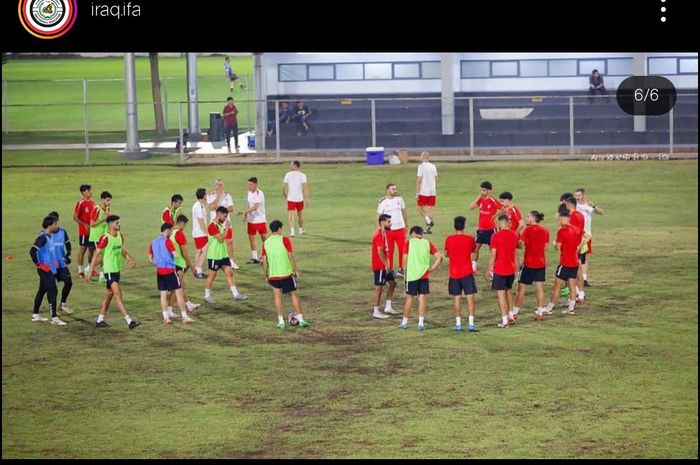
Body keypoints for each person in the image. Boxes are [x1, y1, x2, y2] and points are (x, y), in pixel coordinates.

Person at [90, 215, 141, 329]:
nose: (119, 224)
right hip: (109, 271)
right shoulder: (105, 238)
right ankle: (129, 321)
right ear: (110, 224)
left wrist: (130, 259)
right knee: (118, 295)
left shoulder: (119, 236)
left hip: (116, 270)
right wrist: (90, 271)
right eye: (117, 223)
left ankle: (100, 319)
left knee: (109, 294)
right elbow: (96, 254)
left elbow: (122, 250)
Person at [261, 220, 309, 330]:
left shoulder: (266, 243)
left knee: (277, 298)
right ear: (279, 229)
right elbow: (291, 256)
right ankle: (301, 320)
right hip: (286, 274)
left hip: (273, 275)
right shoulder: (284, 239)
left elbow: (264, 259)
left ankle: (281, 322)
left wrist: (266, 275)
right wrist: (295, 270)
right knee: (293, 295)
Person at [542, 210, 591, 317]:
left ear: (564, 219)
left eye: (560, 219)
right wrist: (580, 245)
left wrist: (554, 244)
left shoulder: (561, 231)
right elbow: (588, 236)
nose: (559, 221)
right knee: (572, 287)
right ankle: (571, 309)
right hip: (574, 263)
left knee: (557, 287)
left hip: (565, 263)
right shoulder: (576, 229)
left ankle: (549, 308)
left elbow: (558, 248)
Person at [148, 223, 195, 326]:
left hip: (160, 272)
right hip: (170, 271)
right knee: (179, 293)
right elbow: (175, 254)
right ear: (168, 230)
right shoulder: (167, 241)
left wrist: (158, 262)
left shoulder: (153, 242)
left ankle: (166, 318)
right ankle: (185, 317)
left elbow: (150, 259)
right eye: (171, 231)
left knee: (163, 295)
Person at [399, 226, 442, 330]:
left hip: (412, 275)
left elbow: (404, 257)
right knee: (422, 298)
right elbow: (439, 257)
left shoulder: (409, 242)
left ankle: (404, 322)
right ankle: (421, 323)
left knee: (409, 298)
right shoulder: (427, 242)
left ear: (413, 233)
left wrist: (403, 270)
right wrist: (432, 268)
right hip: (424, 275)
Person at [204, 206, 248, 303]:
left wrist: (225, 228)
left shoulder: (219, 225)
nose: (225, 219)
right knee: (212, 276)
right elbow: (220, 238)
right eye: (224, 216)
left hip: (223, 255)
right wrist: (227, 229)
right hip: (214, 256)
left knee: (229, 273)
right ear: (219, 214)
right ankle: (207, 295)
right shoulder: (212, 226)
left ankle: (235, 294)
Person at [29, 215, 67, 325]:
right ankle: (54, 318)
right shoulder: (42, 237)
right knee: (53, 291)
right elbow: (32, 251)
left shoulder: (49, 237)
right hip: (45, 270)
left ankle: (35, 315)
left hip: (50, 268)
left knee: (42, 290)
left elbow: (48, 252)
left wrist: (54, 261)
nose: (56, 226)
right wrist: (39, 264)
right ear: (49, 225)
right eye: (55, 224)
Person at [513, 211, 550, 321]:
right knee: (539, 289)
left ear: (533, 218)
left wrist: (517, 242)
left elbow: (521, 245)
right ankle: (540, 313)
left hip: (529, 264)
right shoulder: (545, 231)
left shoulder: (527, 230)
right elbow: (546, 248)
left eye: (528, 216)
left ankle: (514, 313)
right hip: (541, 263)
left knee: (521, 289)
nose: (526, 218)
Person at [444, 216, 477, 332]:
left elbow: (446, 254)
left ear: (454, 226)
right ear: (464, 226)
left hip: (454, 274)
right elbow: (474, 251)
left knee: (457, 298)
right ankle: (471, 324)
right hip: (467, 273)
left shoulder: (449, 239)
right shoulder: (470, 239)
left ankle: (458, 324)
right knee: (470, 298)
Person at [487, 215, 520, 328]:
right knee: (509, 291)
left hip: (500, 269)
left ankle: (504, 321)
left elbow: (493, 254)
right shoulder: (515, 234)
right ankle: (511, 315)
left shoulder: (495, 236)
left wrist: (488, 269)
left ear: (501, 223)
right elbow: (515, 252)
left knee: (501, 295)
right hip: (511, 269)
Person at [170, 214, 200, 313]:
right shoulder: (179, 234)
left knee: (182, 285)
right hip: (179, 264)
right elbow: (185, 253)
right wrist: (192, 266)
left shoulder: (170, 233)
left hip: (171, 263)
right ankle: (169, 310)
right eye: (185, 225)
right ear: (182, 223)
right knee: (177, 288)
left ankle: (188, 304)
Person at [469, 181, 503, 271]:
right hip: (481, 229)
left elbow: (503, 208)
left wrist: (495, 216)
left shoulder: (493, 200)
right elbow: (471, 207)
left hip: (491, 230)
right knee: (475, 248)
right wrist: (478, 197)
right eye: (481, 190)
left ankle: (492, 269)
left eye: (483, 190)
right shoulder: (480, 199)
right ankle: (473, 268)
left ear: (489, 190)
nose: (482, 192)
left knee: (493, 251)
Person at [377, 183, 408, 278]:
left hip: (400, 229)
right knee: (389, 251)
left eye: (395, 189)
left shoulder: (400, 199)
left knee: (402, 250)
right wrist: (380, 228)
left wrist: (406, 225)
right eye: (393, 189)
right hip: (389, 231)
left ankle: (401, 269)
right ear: (387, 190)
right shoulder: (382, 201)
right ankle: (389, 269)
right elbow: (378, 216)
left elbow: (404, 212)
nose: (395, 190)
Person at [574, 187, 604, 287]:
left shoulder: (588, 205)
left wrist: (594, 206)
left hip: (587, 235)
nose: (577, 197)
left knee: (585, 257)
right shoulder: (574, 205)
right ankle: (575, 278)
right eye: (576, 195)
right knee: (575, 257)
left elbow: (601, 212)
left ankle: (584, 278)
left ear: (583, 195)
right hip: (576, 235)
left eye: (579, 195)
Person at [207, 179, 239, 269]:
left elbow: (231, 208)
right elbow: (210, 207)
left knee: (229, 241)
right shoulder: (210, 195)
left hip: (226, 222)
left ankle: (231, 261)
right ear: (215, 186)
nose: (219, 186)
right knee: (217, 242)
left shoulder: (227, 195)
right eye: (217, 184)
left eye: (221, 185)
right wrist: (217, 198)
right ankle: (218, 259)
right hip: (216, 224)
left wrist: (221, 210)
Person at [371, 214, 399, 319]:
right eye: (388, 221)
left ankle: (388, 307)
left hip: (386, 266)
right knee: (379, 288)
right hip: (380, 266)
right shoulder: (379, 235)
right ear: (382, 222)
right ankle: (376, 310)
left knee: (392, 283)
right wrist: (386, 264)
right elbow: (379, 251)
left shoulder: (384, 233)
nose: (390, 223)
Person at [47, 211, 74, 314]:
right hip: (51, 264)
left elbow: (68, 245)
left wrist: (68, 255)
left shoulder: (62, 232)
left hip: (61, 263)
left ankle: (62, 304)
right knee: (52, 287)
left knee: (68, 282)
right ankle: (52, 309)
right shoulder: (46, 233)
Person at [563, 196, 587, 304]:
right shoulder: (580, 215)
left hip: (574, 247)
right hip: (580, 245)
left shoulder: (571, 216)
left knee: (575, 272)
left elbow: (571, 232)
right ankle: (579, 293)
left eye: (566, 204)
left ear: (569, 204)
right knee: (578, 271)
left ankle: (579, 294)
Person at [238, 177, 267, 264]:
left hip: (260, 220)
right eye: (248, 184)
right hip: (251, 221)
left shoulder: (259, 193)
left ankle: (264, 255)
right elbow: (249, 205)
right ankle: (254, 257)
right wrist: (246, 215)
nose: (249, 186)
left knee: (264, 239)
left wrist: (243, 211)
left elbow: (255, 207)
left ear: (256, 184)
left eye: (251, 184)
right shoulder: (249, 193)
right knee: (251, 238)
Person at [88, 191, 112, 282]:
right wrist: (103, 219)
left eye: (110, 200)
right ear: (102, 199)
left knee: (104, 256)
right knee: (102, 256)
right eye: (108, 200)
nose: (109, 202)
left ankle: (102, 276)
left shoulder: (107, 209)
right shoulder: (96, 209)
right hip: (96, 236)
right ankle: (89, 268)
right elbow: (91, 224)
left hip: (103, 236)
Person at [282, 160, 310, 237]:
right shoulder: (302, 175)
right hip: (299, 198)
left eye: (291, 164)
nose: (290, 166)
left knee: (291, 215)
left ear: (295, 166)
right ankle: (300, 229)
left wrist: (284, 193)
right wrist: (307, 199)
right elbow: (305, 188)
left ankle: (292, 231)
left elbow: (284, 185)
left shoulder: (288, 175)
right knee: (300, 214)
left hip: (291, 199)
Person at [73, 183, 95, 279]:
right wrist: (84, 224)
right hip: (83, 232)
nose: (90, 192)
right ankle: (80, 271)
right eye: (88, 191)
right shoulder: (80, 203)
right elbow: (75, 217)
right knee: (83, 250)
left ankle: (90, 268)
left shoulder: (92, 203)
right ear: (83, 192)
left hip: (92, 231)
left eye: (90, 190)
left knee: (91, 250)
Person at [415, 151, 438, 234]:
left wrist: (417, 193)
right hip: (432, 191)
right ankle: (429, 228)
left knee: (419, 208)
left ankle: (429, 222)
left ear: (421, 157)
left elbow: (419, 180)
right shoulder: (433, 166)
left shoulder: (421, 167)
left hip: (424, 191)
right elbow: (436, 178)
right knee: (430, 209)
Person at [191, 187, 209, 278]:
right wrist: (208, 233)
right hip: (200, 233)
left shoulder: (199, 205)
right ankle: (199, 270)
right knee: (204, 250)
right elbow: (201, 222)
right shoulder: (198, 206)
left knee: (199, 250)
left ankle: (198, 270)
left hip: (198, 233)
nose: (207, 196)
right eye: (206, 194)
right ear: (203, 196)